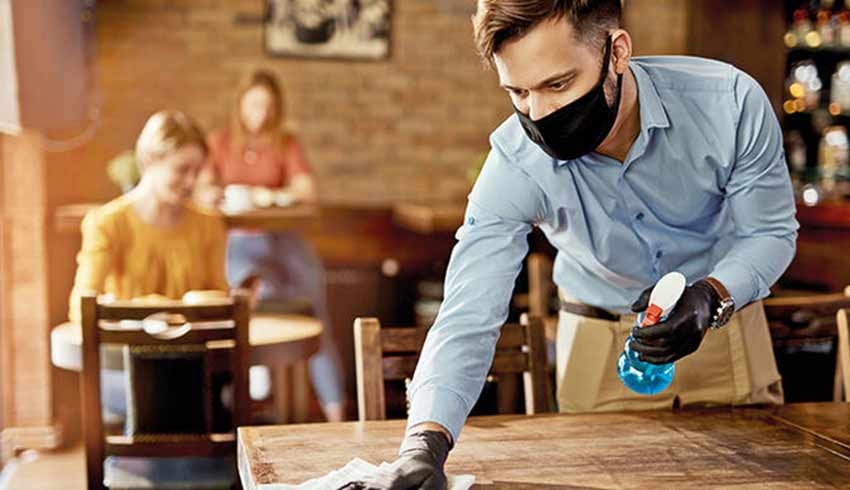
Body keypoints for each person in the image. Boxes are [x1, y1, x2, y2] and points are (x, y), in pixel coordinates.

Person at [343, 0, 799, 488]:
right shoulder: (516, 165)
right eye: (518, 91)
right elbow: (467, 315)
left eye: (557, 84)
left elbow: (769, 233)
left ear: (617, 52)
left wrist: (712, 295)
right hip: (600, 350)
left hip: (725, 334)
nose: (539, 114)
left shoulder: (728, 103)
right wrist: (424, 444)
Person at [203, 69, 346, 422]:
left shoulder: (286, 143)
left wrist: (267, 196)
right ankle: (234, 416)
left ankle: (340, 417)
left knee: (319, 319)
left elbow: (306, 191)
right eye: (254, 105)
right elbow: (201, 191)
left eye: (268, 106)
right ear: (239, 105)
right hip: (237, 243)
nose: (261, 114)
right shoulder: (219, 142)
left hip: (284, 242)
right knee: (229, 321)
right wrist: (220, 194)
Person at [69, 110, 228, 418]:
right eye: (182, 169)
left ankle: (144, 463)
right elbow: (81, 306)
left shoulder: (209, 225)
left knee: (187, 394)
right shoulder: (107, 223)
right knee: (171, 399)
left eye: (197, 171)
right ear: (150, 159)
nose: (191, 181)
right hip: (128, 367)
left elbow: (219, 299)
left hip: (193, 365)